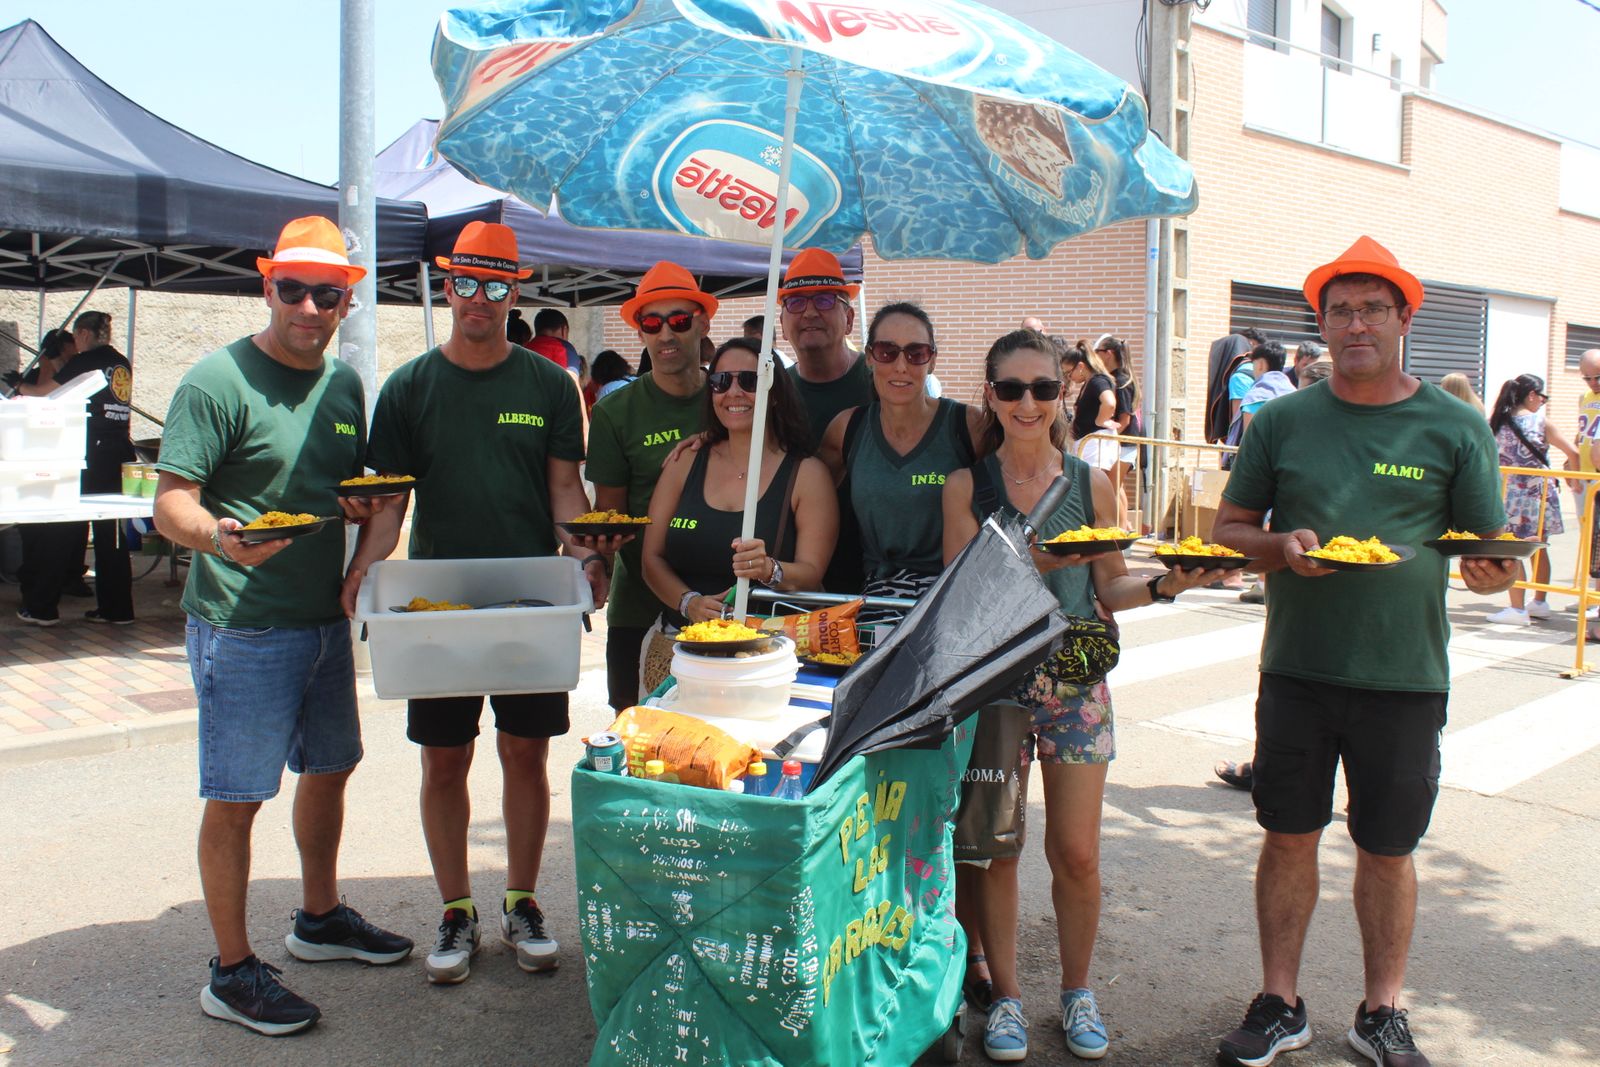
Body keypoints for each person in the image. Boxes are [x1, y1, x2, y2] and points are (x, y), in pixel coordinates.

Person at [1212, 236, 1514, 1067]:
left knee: (1388, 849)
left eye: (1372, 309)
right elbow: (1229, 531)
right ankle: (1280, 1001)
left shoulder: (1455, 426)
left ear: (1404, 318)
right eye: (1340, 310)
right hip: (1299, 670)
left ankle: (1380, 1011)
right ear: (1323, 321)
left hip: (1405, 674)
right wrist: (1281, 547)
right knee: (1287, 834)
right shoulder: (1282, 420)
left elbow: (1483, 554)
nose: (1355, 325)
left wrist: (1492, 574)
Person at [151, 216, 412, 1036]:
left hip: (321, 620)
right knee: (236, 797)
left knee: (331, 767)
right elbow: (170, 504)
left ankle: (319, 917)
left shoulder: (342, 387)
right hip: (243, 624)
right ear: (266, 285)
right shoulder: (216, 380)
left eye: (325, 293)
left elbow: (351, 488)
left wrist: (363, 541)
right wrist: (222, 537)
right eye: (291, 287)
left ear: (347, 302)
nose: (307, 305)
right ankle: (230, 971)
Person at [942, 328, 1224, 1063]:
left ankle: (1076, 990)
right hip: (997, 687)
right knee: (997, 850)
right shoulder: (968, 486)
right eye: (1011, 389)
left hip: (1077, 684)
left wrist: (1165, 583)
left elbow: (1112, 586)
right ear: (991, 395)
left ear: (1062, 393)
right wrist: (1028, 557)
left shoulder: (1092, 483)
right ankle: (1004, 997)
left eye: (1042, 388)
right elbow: (960, 596)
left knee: (1078, 853)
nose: (1027, 403)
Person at [345, 220, 604, 986]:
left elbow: (565, 491)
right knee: (444, 757)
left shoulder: (549, 385)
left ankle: (522, 900)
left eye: (496, 285)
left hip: (527, 598)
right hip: (437, 603)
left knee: (526, 749)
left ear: (513, 292)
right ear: (449, 286)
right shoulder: (411, 387)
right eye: (467, 283)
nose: (479, 299)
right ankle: (456, 908)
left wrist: (587, 554)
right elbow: (389, 505)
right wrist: (364, 566)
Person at [641, 336, 837, 637]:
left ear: (774, 392)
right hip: (680, 645)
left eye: (749, 381)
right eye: (720, 381)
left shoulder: (807, 474)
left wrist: (770, 569)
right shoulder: (686, 461)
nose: (733, 392)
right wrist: (688, 603)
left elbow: (811, 574)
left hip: (766, 649)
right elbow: (651, 559)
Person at [583, 262, 714, 710]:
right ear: (640, 333)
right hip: (640, 605)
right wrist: (594, 556)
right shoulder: (614, 413)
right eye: (651, 323)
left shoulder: (734, 397)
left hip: (726, 596)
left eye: (679, 321)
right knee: (633, 732)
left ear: (703, 324)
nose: (665, 335)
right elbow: (611, 512)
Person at [817, 302, 981, 617]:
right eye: (887, 351)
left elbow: (1018, 481)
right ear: (868, 356)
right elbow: (803, 498)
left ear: (932, 361)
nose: (901, 366)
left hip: (953, 598)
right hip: (878, 600)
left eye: (916, 353)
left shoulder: (967, 425)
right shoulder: (847, 429)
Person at [15, 311, 136, 626]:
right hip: (118, 451)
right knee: (112, 533)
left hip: (87, 453)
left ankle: (42, 607)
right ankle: (117, 609)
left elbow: (45, 395)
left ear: (83, 334)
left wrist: (18, 385)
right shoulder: (120, 361)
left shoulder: (86, 361)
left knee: (63, 527)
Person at [780, 249, 872, 593]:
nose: (809, 313)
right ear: (783, 324)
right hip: (793, 574)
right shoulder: (768, 395)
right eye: (796, 303)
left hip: (873, 573)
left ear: (848, 320)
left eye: (823, 300)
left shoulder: (885, 382)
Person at [1485, 374, 1578, 625]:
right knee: (1538, 549)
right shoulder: (1541, 422)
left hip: (1509, 495)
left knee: (1511, 550)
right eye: (1543, 397)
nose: (1543, 402)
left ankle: (1517, 608)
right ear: (1532, 395)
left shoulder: (1494, 422)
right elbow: (1573, 451)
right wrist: (1576, 480)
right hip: (1539, 494)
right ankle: (1539, 602)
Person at [1093, 335, 1142, 529]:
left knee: (1112, 489)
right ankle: (1125, 527)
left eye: (1098, 352)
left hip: (1124, 444)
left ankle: (1121, 530)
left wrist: (1108, 439)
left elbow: (1125, 420)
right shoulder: (1118, 379)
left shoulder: (1121, 381)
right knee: (1117, 487)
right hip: (1121, 444)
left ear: (1108, 354)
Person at [1060, 341, 1119, 475]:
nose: (1069, 377)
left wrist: (1101, 421)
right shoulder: (1089, 383)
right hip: (1089, 445)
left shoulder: (1097, 381)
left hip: (1095, 446)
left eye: (1069, 373)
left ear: (1080, 366)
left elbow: (1109, 402)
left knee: (1092, 486)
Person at [1574, 349, 1600, 642]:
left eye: (1598, 377)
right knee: (1591, 539)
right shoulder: (1585, 398)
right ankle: (1593, 595)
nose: (1593, 383)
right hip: (1586, 478)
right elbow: (1583, 434)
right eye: (1587, 378)